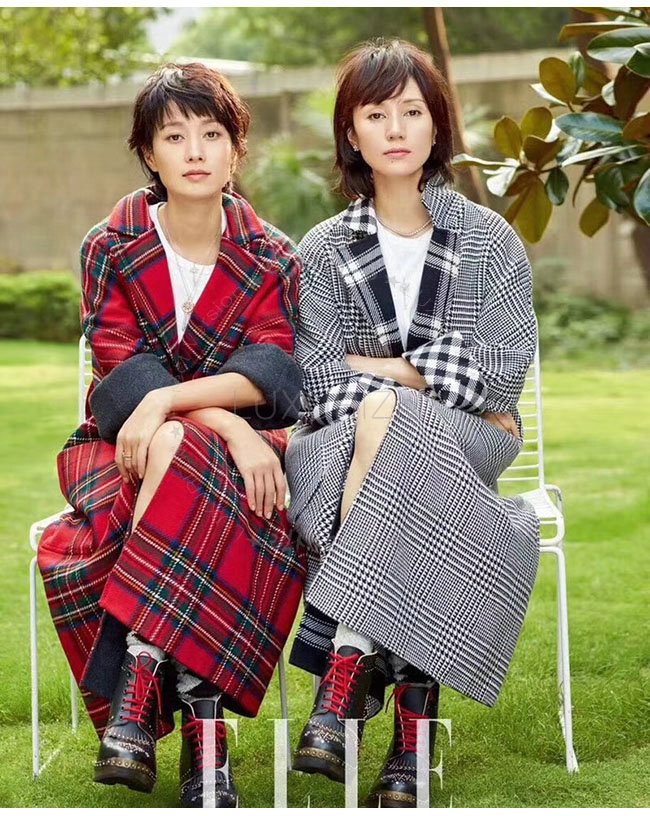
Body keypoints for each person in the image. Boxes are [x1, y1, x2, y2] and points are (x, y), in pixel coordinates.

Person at [37, 62, 306, 808]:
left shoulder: (273, 254)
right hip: (125, 446)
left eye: (212, 134)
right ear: (148, 153)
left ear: (236, 150)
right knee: (173, 444)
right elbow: (122, 377)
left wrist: (181, 406)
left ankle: (140, 678)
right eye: (174, 136)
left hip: (247, 451)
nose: (194, 151)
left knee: (179, 446)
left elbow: (273, 374)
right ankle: (204, 738)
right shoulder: (110, 246)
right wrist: (217, 420)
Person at [285, 39, 540, 807]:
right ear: (351, 134)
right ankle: (411, 728)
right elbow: (316, 385)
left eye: (411, 112)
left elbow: (503, 374)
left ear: (437, 126)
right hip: (342, 444)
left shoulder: (490, 240)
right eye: (375, 115)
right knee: (387, 424)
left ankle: (343, 663)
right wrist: (429, 376)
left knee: (388, 413)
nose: (395, 129)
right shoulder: (323, 250)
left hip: (473, 443)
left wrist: (385, 372)